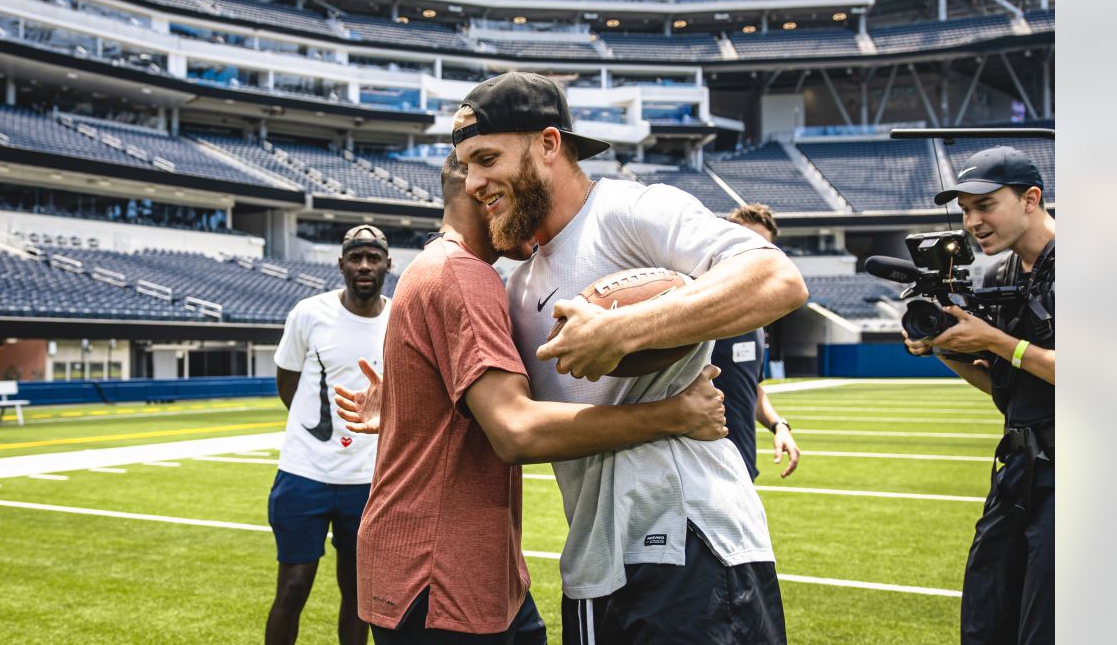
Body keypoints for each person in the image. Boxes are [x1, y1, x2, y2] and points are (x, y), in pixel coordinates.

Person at [454, 72, 809, 643]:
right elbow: (510, 420)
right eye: (466, 166)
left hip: (692, 542)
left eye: (486, 158)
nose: (473, 182)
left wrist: (625, 328)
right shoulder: (512, 281)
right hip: (593, 563)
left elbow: (777, 278)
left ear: (549, 144)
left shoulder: (629, 209)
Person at [342, 152, 729, 645]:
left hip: (452, 563)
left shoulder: (434, 267)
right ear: (481, 192)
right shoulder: (465, 277)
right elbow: (516, 431)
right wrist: (673, 414)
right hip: (439, 573)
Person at [902, 145, 1055, 644]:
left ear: (1030, 198)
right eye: (965, 210)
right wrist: (947, 348)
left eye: (985, 205)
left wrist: (994, 340)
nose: (972, 221)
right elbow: (1005, 389)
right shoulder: (1001, 274)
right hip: (1021, 467)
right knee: (988, 620)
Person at [265, 225, 393, 645]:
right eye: (355, 257)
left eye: (373, 258)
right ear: (341, 265)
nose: (364, 265)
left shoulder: (399, 318)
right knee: (293, 586)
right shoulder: (308, 313)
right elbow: (288, 383)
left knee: (359, 596)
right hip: (305, 475)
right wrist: (319, 433)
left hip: (367, 481)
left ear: (387, 266)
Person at [711, 203, 801, 480]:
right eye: (745, 242)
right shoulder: (696, 314)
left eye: (763, 248)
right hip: (704, 471)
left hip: (743, 469)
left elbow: (752, 388)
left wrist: (778, 425)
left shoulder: (756, 320)